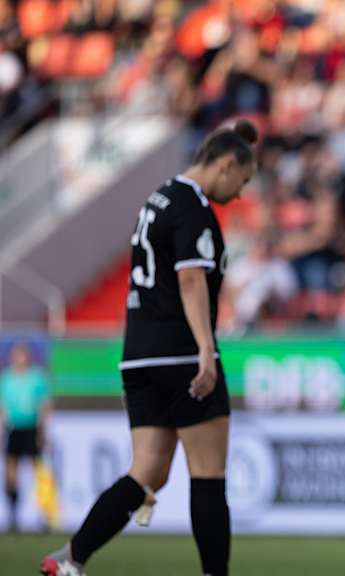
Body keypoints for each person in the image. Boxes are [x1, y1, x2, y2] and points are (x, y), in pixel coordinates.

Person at [41, 120, 258, 576]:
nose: (239, 193)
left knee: (148, 472)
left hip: (138, 355)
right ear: (225, 165)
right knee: (208, 473)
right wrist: (205, 348)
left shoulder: (157, 199)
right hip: (181, 354)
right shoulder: (193, 208)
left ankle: (70, 559)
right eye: (242, 180)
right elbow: (190, 278)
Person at [1, 342, 51, 532]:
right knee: (11, 473)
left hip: (31, 428)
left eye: (22, 354)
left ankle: (44, 514)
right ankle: (13, 515)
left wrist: (42, 432)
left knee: (38, 472)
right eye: (16, 355)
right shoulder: (6, 379)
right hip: (13, 429)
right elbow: (3, 408)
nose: (19, 358)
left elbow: (44, 407)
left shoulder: (36, 378)